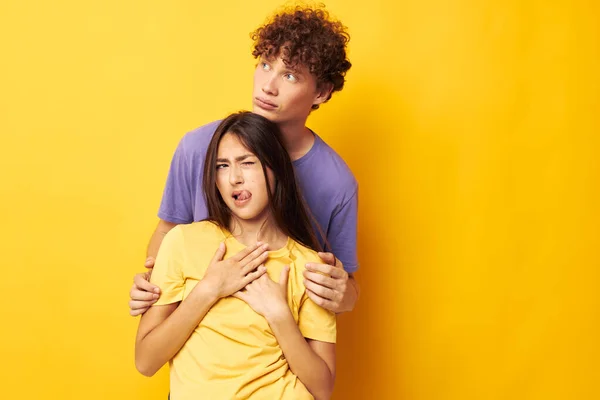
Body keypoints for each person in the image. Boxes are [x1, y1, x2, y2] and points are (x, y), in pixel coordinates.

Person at [129, 5, 360, 317]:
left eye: (289, 75)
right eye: (265, 65)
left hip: (279, 345)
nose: (268, 86)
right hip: (201, 337)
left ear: (321, 92)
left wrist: (345, 295)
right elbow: (169, 228)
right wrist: (150, 282)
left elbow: (346, 284)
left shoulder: (337, 183)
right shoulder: (198, 147)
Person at [136, 112, 337, 400]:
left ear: (276, 170)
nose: (234, 178)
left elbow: (323, 389)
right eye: (222, 166)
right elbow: (145, 361)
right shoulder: (183, 242)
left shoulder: (310, 266)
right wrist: (209, 289)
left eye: (247, 162)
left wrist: (279, 315)